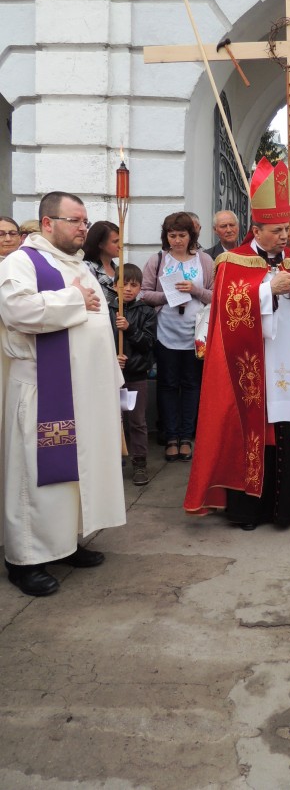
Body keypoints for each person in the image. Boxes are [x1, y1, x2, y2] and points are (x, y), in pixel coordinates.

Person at [183, 157, 290, 529]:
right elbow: (227, 315)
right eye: (275, 230)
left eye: (285, 230)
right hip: (252, 368)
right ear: (256, 230)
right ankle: (249, 510)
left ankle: (289, 507)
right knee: (252, 426)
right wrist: (267, 291)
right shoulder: (233, 261)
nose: (283, 237)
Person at [0, 191, 126, 597]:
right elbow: (16, 310)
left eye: (85, 222)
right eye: (74, 220)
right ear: (48, 223)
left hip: (82, 390)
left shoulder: (78, 264)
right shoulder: (22, 261)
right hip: (42, 389)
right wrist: (74, 299)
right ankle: (24, 559)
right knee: (35, 477)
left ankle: (64, 543)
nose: (82, 228)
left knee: (75, 473)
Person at [141, 212, 214, 463]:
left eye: (182, 235)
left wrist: (194, 290)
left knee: (192, 385)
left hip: (196, 335)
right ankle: (170, 436)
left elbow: (216, 295)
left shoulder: (204, 261)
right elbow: (143, 293)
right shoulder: (158, 259)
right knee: (168, 384)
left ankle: (186, 436)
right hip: (166, 333)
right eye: (172, 235)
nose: (177, 240)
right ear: (166, 236)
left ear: (191, 236)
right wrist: (167, 296)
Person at [108, 263, 157, 486]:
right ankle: (111, 461)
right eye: (123, 283)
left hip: (135, 375)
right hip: (110, 375)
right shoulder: (106, 311)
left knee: (137, 421)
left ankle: (139, 462)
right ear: (114, 284)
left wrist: (130, 328)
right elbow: (99, 342)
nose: (128, 288)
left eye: (134, 285)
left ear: (140, 289)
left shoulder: (146, 312)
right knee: (110, 420)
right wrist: (112, 358)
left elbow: (148, 343)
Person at [83, 220, 120, 300]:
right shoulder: (88, 268)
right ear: (101, 244)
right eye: (115, 241)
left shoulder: (118, 269)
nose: (120, 245)